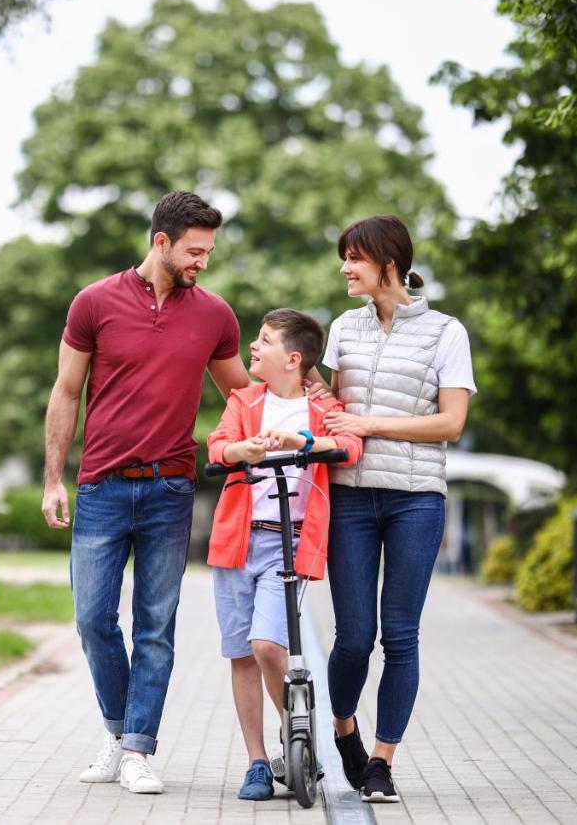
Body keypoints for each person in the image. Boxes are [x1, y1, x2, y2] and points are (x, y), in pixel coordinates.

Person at [41, 191, 251, 795]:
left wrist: (308, 386)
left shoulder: (215, 316)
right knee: (92, 620)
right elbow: (65, 391)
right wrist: (54, 478)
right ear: (161, 241)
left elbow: (242, 394)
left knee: (155, 626)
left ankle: (136, 748)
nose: (202, 263)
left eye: (208, 252)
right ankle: (117, 729)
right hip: (103, 485)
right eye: (194, 251)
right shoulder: (94, 303)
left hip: (169, 489)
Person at [309, 215, 476, 803]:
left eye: (353, 258)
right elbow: (333, 407)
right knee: (353, 637)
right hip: (351, 495)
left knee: (400, 636)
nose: (344, 268)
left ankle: (381, 761)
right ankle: (343, 728)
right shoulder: (343, 329)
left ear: (388, 263)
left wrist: (371, 423)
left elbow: (451, 423)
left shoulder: (445, 332)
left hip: (416, 501)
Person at [205, 308, 363, 801]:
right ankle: (257, 761)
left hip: (287, 543)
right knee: (240, 654)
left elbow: (349, 445)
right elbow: (217, 446)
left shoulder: (323, 408)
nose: (253, 346)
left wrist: (304, 442)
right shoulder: (244, 401)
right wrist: (240, 453)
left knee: (267, 645)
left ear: (294, 359)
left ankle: (293, 732)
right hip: (236, 539)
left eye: (265, 340)